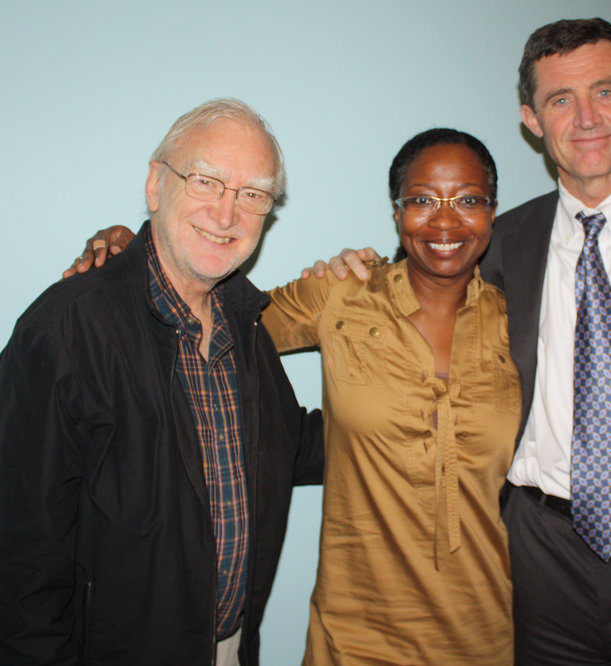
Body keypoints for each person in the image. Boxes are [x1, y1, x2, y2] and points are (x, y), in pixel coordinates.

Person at [317, 17, 611, 666]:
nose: (587, 117)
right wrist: (355, 266)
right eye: (560, 100)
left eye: (604, 91)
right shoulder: (501, 244)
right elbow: (427, 272)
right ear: (532, 120)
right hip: (541, 568)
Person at [63, 128, 521, 664]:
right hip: (353, 639)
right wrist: (136, 252)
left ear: (493, 210)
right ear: (396, 212)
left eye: (468, 200)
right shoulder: (344, 294)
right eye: (421, 199)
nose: (445, 220)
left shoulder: (523, 320)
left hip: (486, 632)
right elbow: (210, 318)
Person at [0, 99, 324, 665]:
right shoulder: (66, 331)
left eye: (253, 195)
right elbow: (20, 555)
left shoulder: (244, 325)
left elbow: (289, 446)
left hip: (229, 649)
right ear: (156, 185)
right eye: (206, 181)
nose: (226, 214)